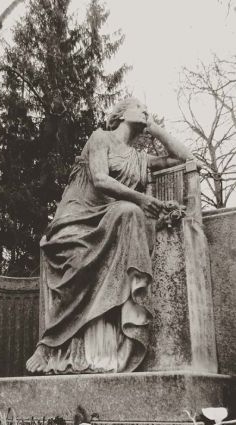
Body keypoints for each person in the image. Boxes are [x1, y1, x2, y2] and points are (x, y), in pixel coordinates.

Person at [26, 97, 193, 374]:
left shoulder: (141, 159)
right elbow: (101, 179)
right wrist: (141, 199)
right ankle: (50, 343)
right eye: (139, 107)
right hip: (79, 216)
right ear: (121, 114)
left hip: (113, 218)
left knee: (129, 214)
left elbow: (185, 158)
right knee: (121, 219)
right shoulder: (100, 138)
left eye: (146, 108)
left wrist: (156, 129)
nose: (145, 110)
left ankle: (104, 346)